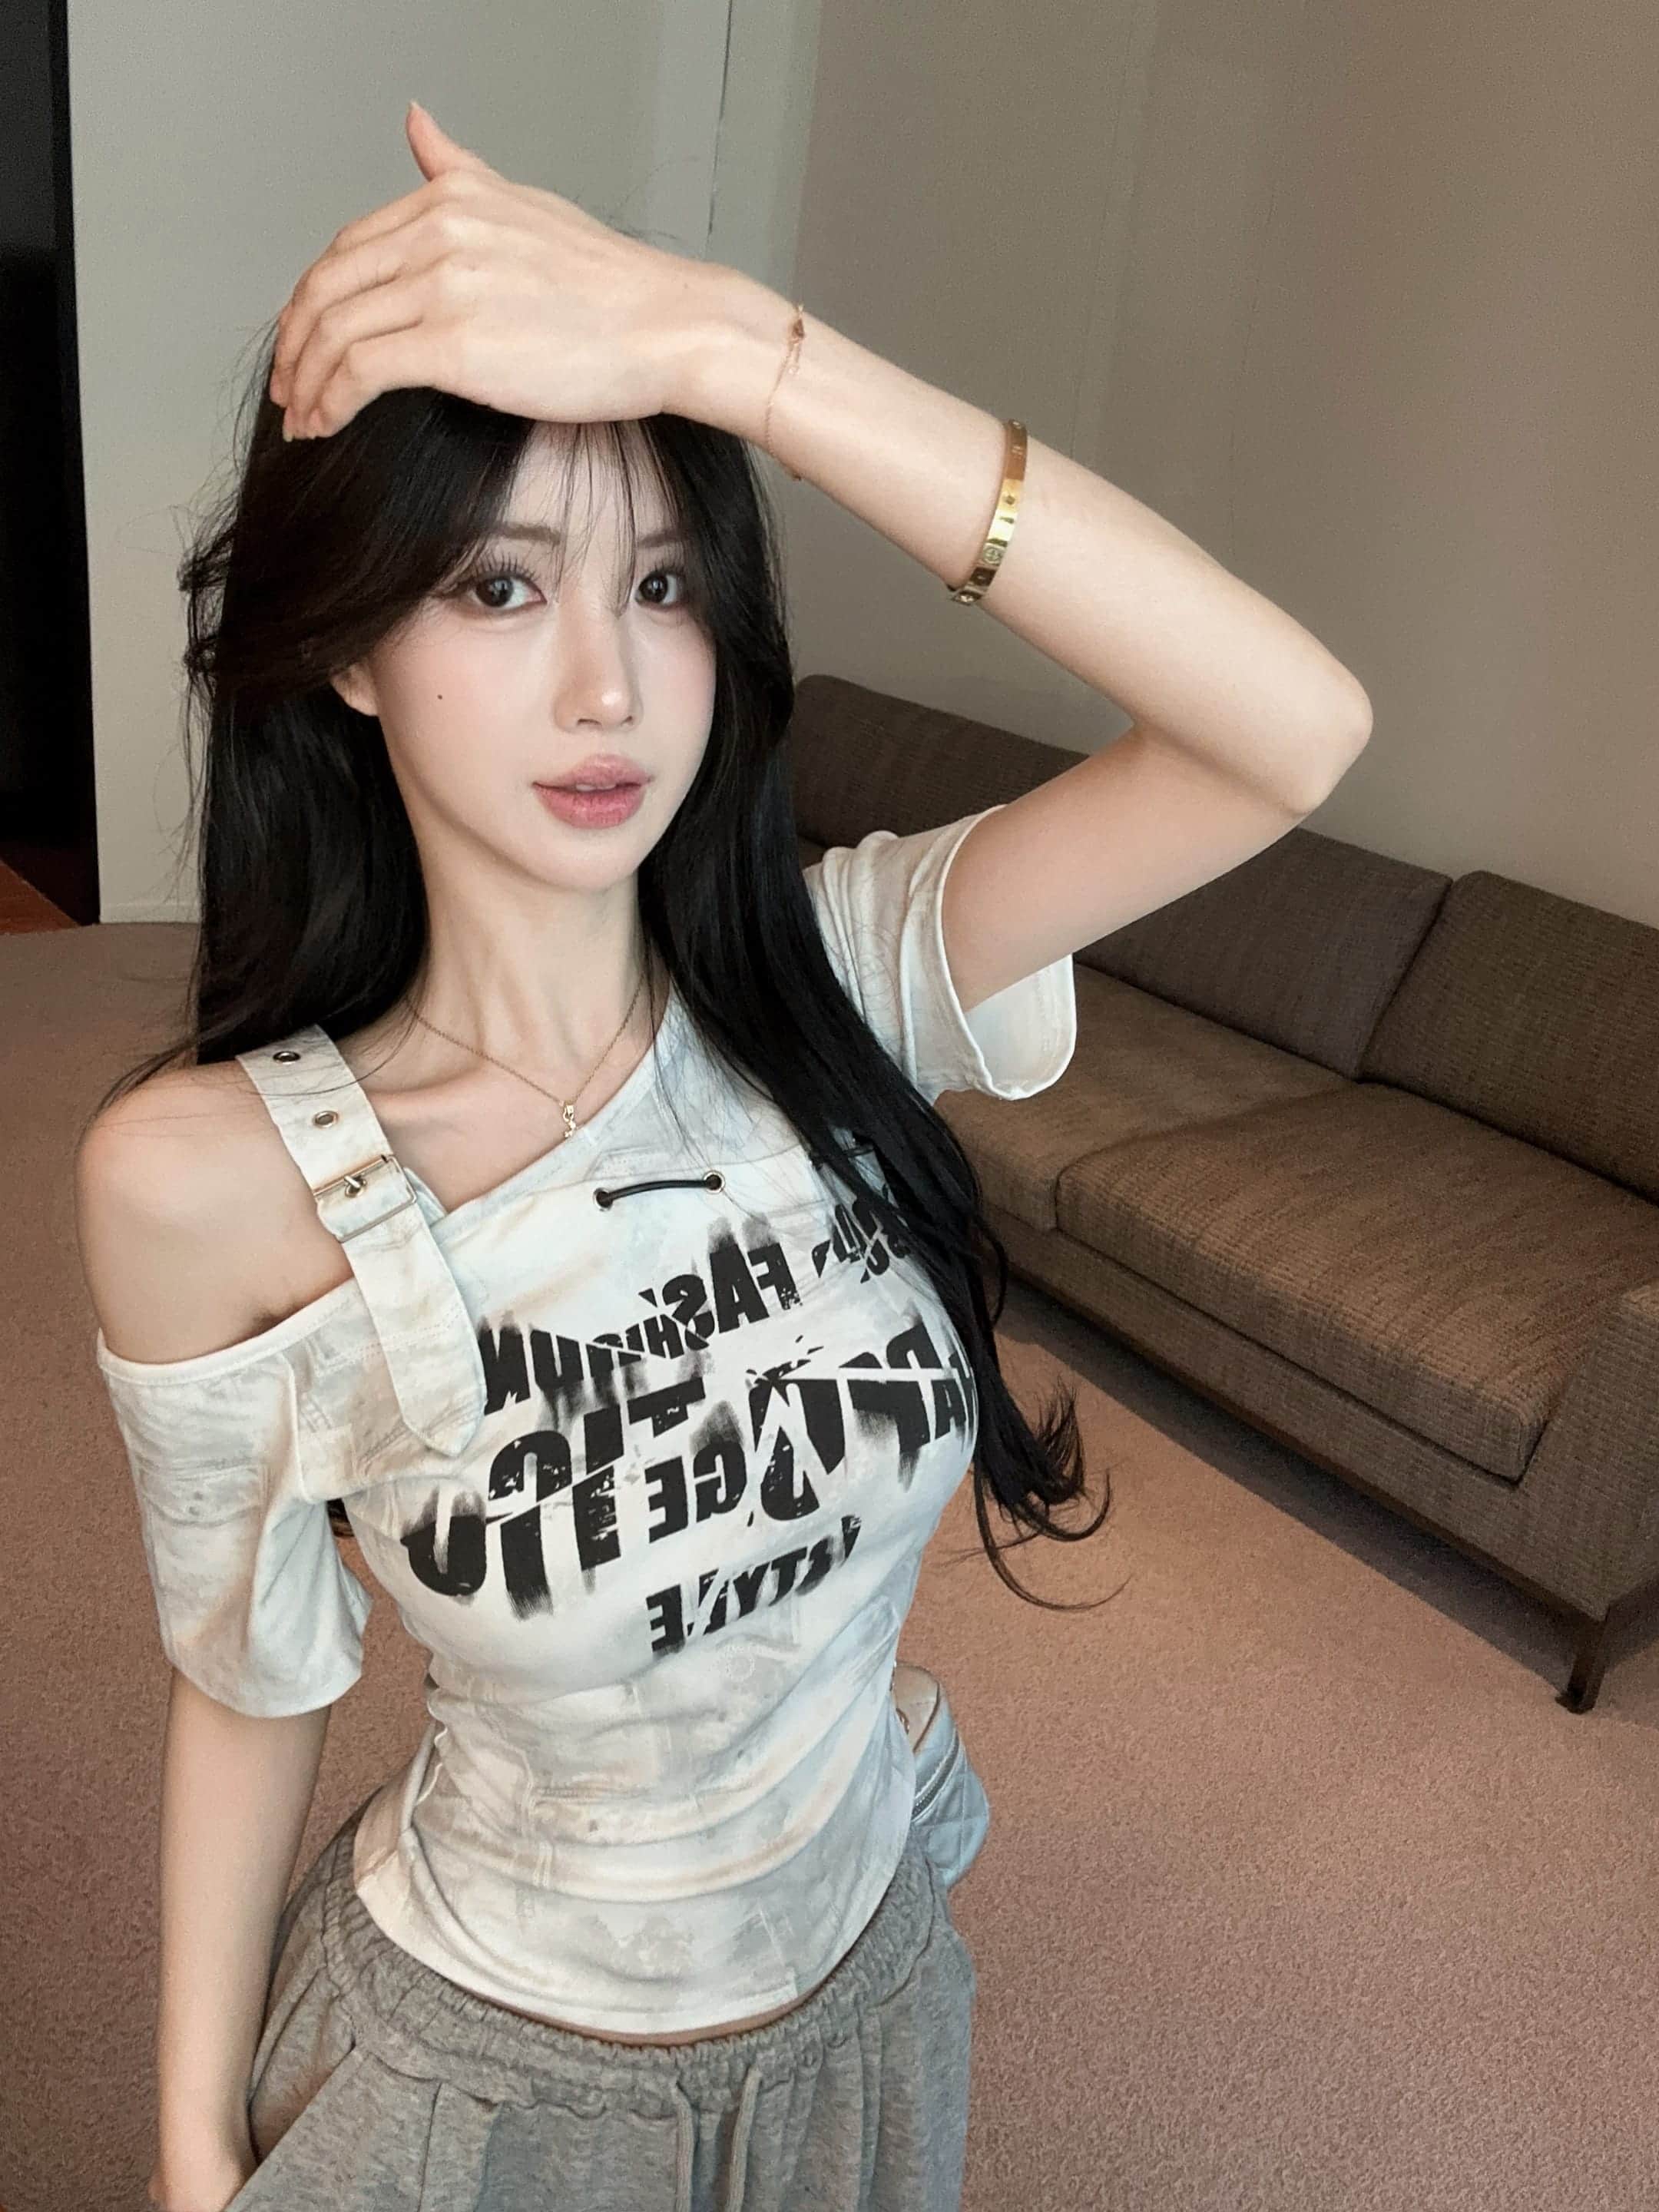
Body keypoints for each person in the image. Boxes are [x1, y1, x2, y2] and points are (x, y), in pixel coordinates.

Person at [74, 99, 1369, 2212]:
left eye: (663, 582)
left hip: (869, 2006)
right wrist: (189, 2153)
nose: (607, 685)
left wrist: (732, 350)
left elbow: (1288, 732)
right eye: (500, 584)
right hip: (483, 2081)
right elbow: (247, 1680)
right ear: (348, 647)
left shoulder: (842, 978)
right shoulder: (213, 1182)